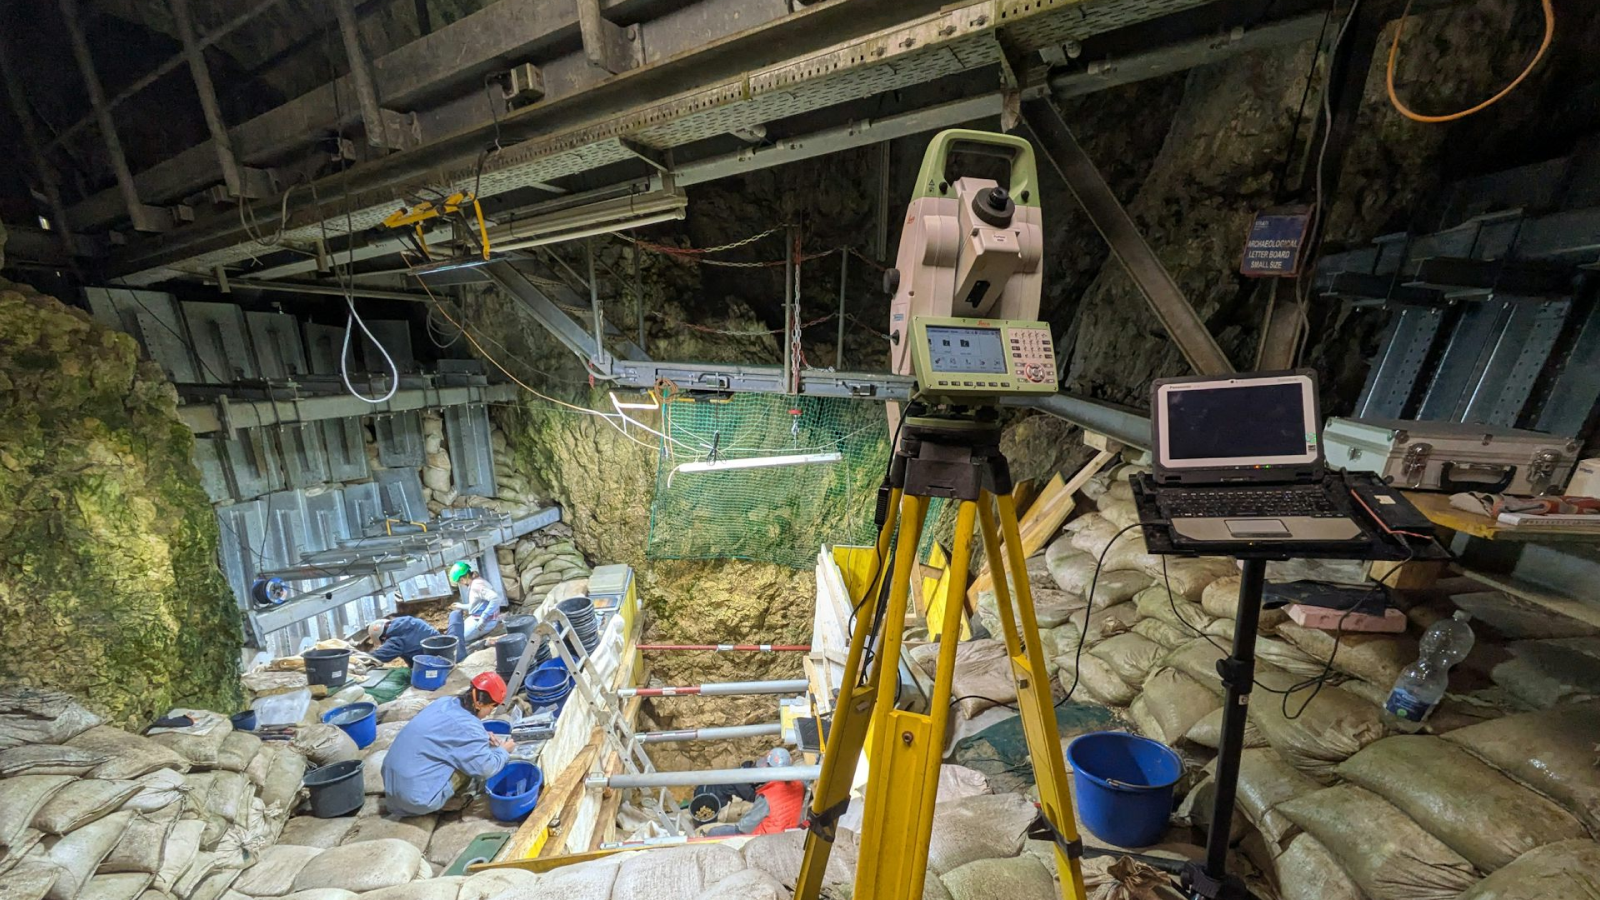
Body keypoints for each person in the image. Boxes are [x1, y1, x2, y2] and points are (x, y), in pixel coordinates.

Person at [382, 672, 515, 816]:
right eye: (491, 708)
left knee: (458, 752)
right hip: (415, 799)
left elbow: (449, 731)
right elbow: (486, 769)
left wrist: (482, 735)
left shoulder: (444, 702)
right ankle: (442, 801)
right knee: (471, 766)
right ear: (479, 703)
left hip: (391, 785)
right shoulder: (468, 728)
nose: (490, 713)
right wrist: (503, 751)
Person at [704, 748, 806, 836]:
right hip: (788, 826)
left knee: (714, 832)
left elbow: (745, 827)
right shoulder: (799, 783)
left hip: (768, 836)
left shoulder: (767, 797)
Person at [447, 561, 503, 662]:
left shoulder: (477, 586)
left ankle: (468, 655)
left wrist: (483, 617)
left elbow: (495, 599)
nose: (461, 584)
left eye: (459, 582)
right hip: (477, 617)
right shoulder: (476, 581)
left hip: (485, 621)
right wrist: (461, 606)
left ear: (463, 579)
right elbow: (477, 605)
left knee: (458, 639)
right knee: (459, 631)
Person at [365, 615, 442, 666]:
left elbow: (380, 656)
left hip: (430, 665)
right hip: (445, 651)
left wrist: (360, 658)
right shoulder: (413, 621)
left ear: (383, 637)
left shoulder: (397, 640)